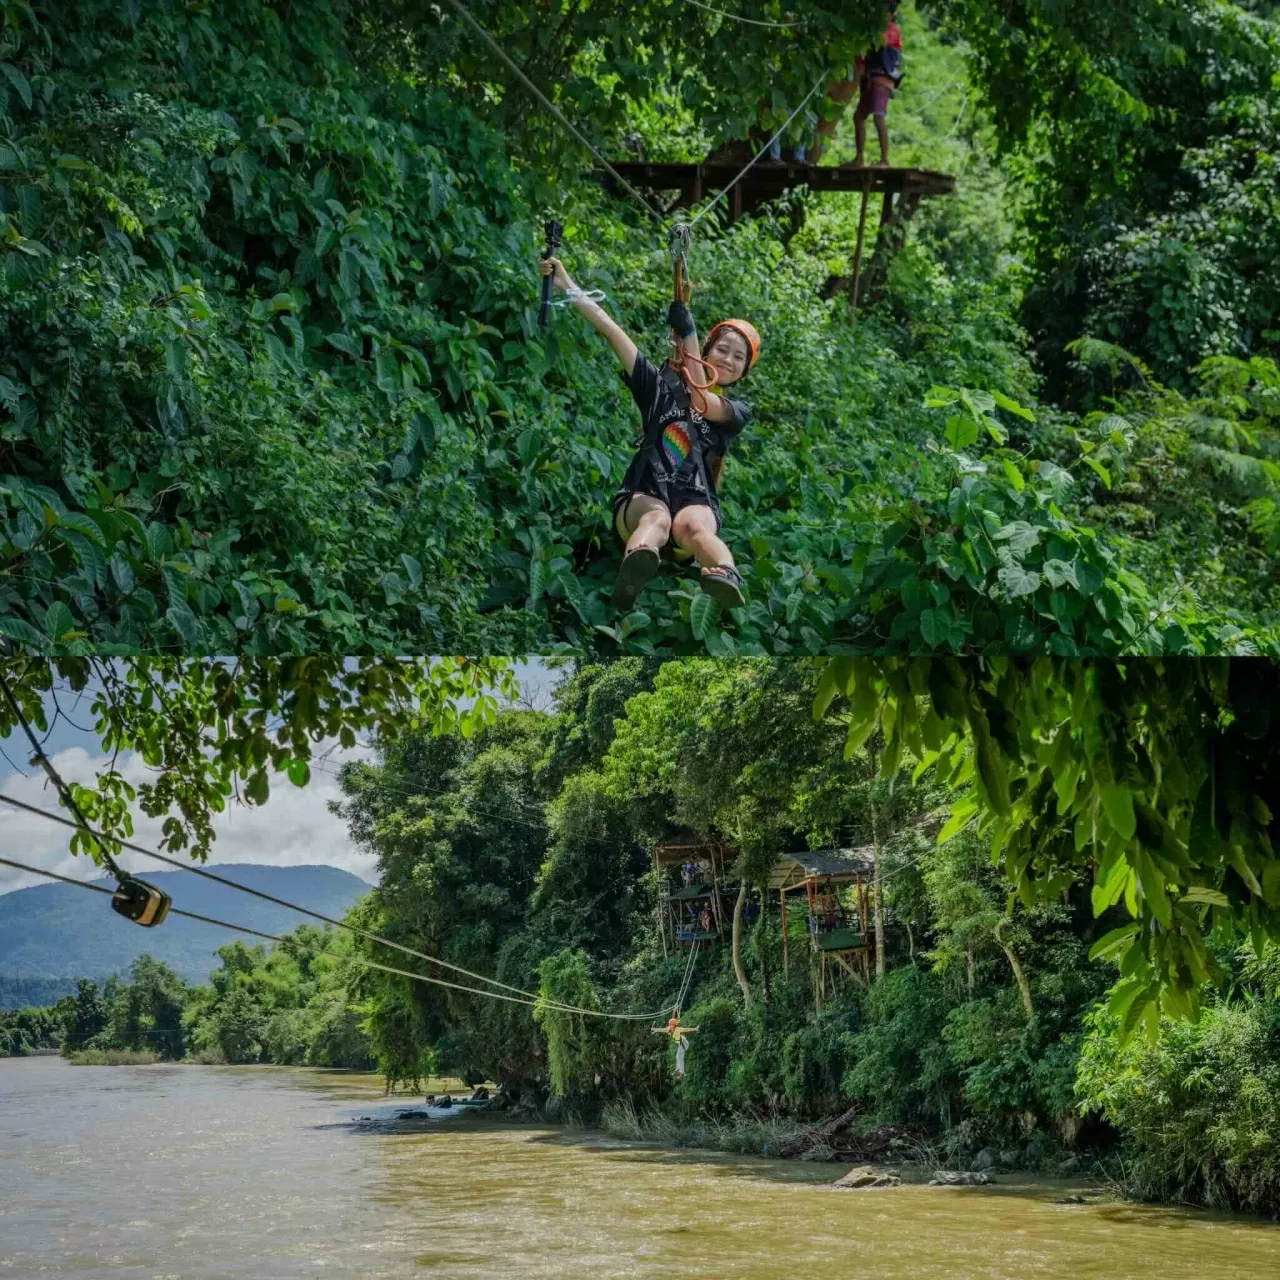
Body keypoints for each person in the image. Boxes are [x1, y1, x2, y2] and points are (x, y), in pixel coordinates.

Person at [537, 255, 758, 612]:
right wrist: (565, 283)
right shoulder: (659, 388)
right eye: (722, 349)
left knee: (695, 527)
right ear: (707, 350)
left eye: (738, 357)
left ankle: (725, 574)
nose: (728, 359)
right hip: (644, 496)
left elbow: (702, 401)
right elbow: (612, 332)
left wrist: (688, 333)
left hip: (694, 499)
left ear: (744, 371)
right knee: (657, 517)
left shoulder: (735, 413)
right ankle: (638, 559)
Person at [854, 11, 904, 168]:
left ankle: (884, 160)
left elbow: (882, 41)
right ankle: (859, 158)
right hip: (870, 79)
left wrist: (868, 32)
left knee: (878, 117)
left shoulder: (893, 30)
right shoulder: (873, 32)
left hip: (882, 80)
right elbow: (862, 56)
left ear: (891, 15)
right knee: (858, 117)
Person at [652, 1014, 700, 1079]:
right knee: (677, 1056)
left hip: (684, 1043)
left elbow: (687, 1029)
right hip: (680, 1044)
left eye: (671, 1025)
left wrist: (695, 1029)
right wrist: (654, 1029)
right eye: (670, 1025)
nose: (670, 1026)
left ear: (674, 1025)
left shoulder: (678, 1029)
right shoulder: (669, 1029)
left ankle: (682, 1073)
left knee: (680, 1057)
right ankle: (678, 1069)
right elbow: (662, 1029)